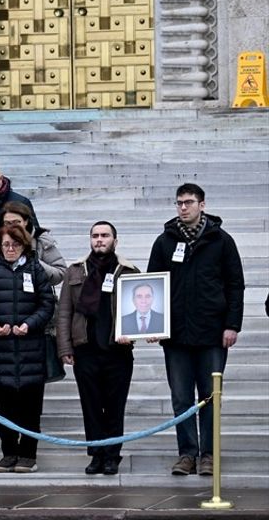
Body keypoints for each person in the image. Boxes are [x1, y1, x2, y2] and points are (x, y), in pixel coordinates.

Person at [148, 183, 244, 477]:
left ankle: (209, 454)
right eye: (179, 203)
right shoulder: (164, 242)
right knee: (181, 398)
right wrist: (154, 324)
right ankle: (187, 454)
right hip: (175, 336)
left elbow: (235, 285)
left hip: (212, 334)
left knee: (210, 396)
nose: (183, 208)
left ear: (202, 204)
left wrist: (232, 325)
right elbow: (152, 286)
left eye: (189, 202)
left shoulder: (222, 240)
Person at [56, 221, 138, 475]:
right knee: (90, 406)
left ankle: (112, 455)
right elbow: (64, 313)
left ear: (116, 239)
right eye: (95, 236)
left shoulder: (128, 270)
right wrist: (64, 347)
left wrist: (132, 335)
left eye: (105, 235)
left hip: (117, 350)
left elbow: (138, 307)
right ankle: (95, 454)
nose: (99, 240)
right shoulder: (75, 271)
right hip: (86, 348)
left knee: (115, 406)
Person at [0, 224, 56, 474]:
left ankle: (28, 454)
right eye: (6, 245)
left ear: (24, 246)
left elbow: (47, 304)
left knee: (31, 408)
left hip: (30, 349)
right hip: (0, 351)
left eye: (15, 244)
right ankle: (8, 453)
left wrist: (28, 325)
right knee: (5, 408)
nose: (10, 249)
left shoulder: (35, 270)